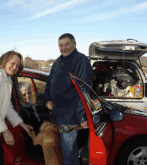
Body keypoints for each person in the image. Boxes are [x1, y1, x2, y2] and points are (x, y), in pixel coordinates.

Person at [44, 33, 93, 165]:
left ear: (74, 44)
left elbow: (84, 90)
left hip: (70, 117)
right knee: (68, 153)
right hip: (58, 116)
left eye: (67, 44)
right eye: (61, 45)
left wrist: (83, 117)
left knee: (68, 155)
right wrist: (48, 98)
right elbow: (49, 83)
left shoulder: (81, 61)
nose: (64, 48)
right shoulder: (58, 61)